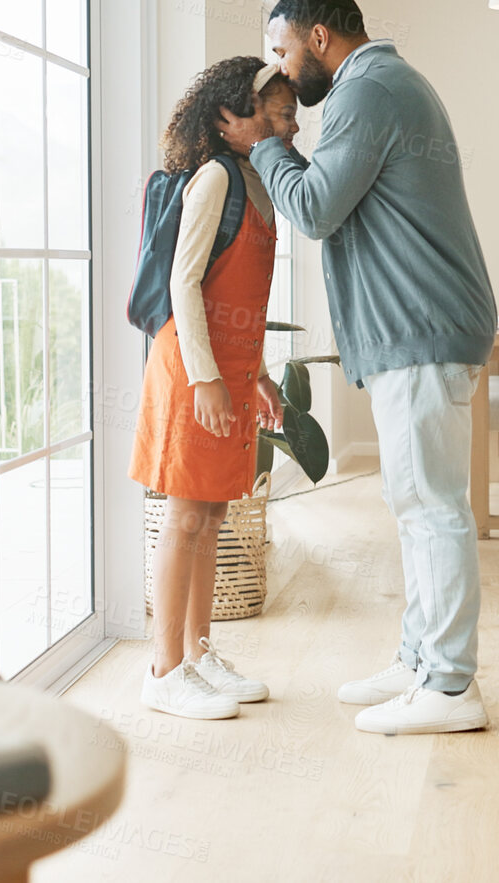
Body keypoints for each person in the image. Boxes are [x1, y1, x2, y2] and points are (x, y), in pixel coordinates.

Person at [218, 0, 498, 735]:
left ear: (316, 38)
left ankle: (447, 686)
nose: (280, 71)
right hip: (418, 328)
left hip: (421, 327)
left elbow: (311, 207)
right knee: (416, 505)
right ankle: (418, 660)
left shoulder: (364, 92)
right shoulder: (384, 85)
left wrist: (267, 146)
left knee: (432, 507)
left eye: (281, 49)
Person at [130, 56, 301, 720]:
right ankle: (162, 669)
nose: (285, 125)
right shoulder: (212, 179)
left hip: (228, 377)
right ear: (228, 118)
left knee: (211, 516)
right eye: (272, 112)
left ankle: (198, 654)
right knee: (183, 516)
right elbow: (183, 283)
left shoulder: (257, 183)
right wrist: (206, 376)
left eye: (288, 113)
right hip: (191, 375)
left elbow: (245, 297)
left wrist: (254, 374)